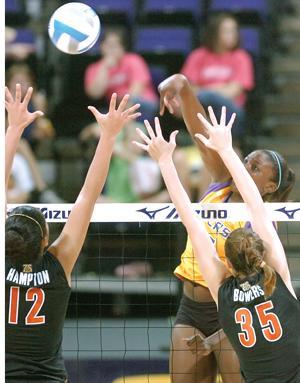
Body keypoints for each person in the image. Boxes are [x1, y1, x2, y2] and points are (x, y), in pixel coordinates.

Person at [133, 109, 300, 383]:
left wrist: (165, 162)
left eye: (255, 167)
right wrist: (225, 150)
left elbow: (191, 219)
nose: (246, 169)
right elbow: (250, 206)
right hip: (193, 308)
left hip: (225, 312)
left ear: (228, 265)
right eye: (246, 162)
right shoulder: (278, 279)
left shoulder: (222, 285)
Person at [5, 83, 140, 382]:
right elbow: (88, 196)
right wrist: (109, 136)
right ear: (45, 241)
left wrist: (13, 129)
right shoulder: (57, 264)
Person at [181, 13, 254, 142]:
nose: (232, 35)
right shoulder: (198, 55)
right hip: (200, 109)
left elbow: (233, 91)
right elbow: (188, 89)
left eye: (234, 31)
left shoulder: (241, 57)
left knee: (206, 97)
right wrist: (220, 87)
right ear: (214, 33)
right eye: (226, 31)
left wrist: (205, 90)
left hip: (230, 111)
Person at [84, 28, 158, 121]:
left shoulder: (134, 60)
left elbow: (136, 91)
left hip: (143, 103)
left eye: (116, 46)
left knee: (130, 102)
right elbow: (94, 94)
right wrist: (104, 68)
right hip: (116, 108)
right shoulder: (94, 68)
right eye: (108, 45)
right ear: (101, 46)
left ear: (123, 48)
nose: (112, 50)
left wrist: (123, 110)